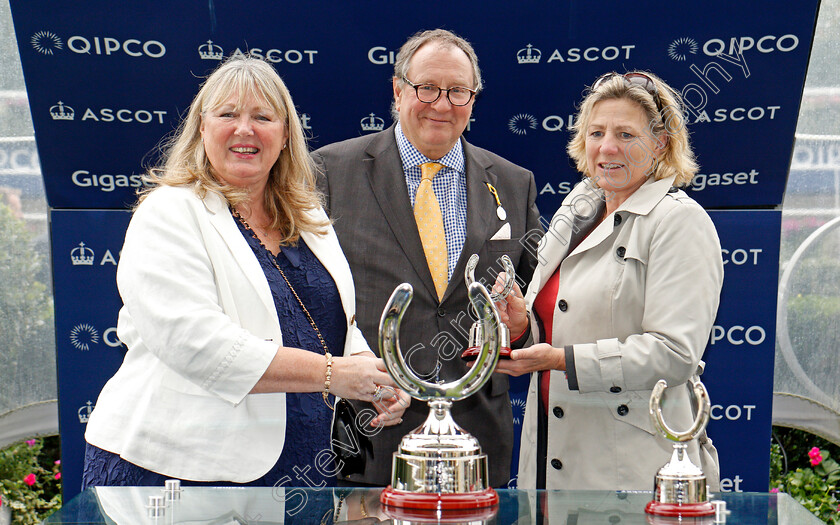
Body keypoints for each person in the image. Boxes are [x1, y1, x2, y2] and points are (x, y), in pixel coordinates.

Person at [82, 56, 409, 489]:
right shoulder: (169, 213)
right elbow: (197, 343)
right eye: (227, 114)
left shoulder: (307, 215)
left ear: (285, 134)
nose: (244, 129)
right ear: (202, 127)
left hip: (300, 469)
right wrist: (335, 374)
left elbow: (335, 324)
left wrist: (373, 375)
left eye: (262, 117)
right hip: (174, 473)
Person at [312, 29, 541, 487]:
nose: (441, 104)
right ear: (397, 91)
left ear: (473, 99)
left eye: (458, 91)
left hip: (476, 437)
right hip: (368, 428)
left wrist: (520, 328)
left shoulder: (515, 184)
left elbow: (535, 303)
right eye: (427, 88)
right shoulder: (328, 173)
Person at [494, 71, 724, 490]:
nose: (607, 147)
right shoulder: (577, 209)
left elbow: (673, 354)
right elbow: (557, 323)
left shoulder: (681, 222)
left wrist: (561, 360)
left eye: (626, 134)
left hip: (630, 470)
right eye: (596, 132)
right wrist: (521, 326)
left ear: (661, 143)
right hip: (550, 456)